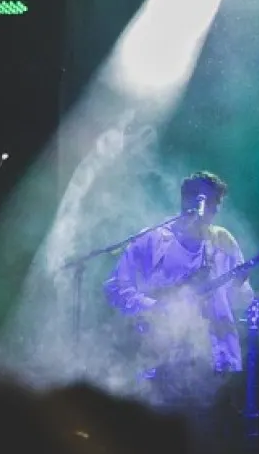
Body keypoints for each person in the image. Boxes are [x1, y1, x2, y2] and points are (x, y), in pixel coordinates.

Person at [105, 171, 251, 407]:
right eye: (206, 200)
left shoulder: (223, 240)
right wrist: (156, 308)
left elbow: (242, 299)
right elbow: (116, 288)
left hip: (219, 362)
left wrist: (240, 285)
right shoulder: (153, 239)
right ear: (187, 201)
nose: (212, 209)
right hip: (165, 362)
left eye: (216, 203)